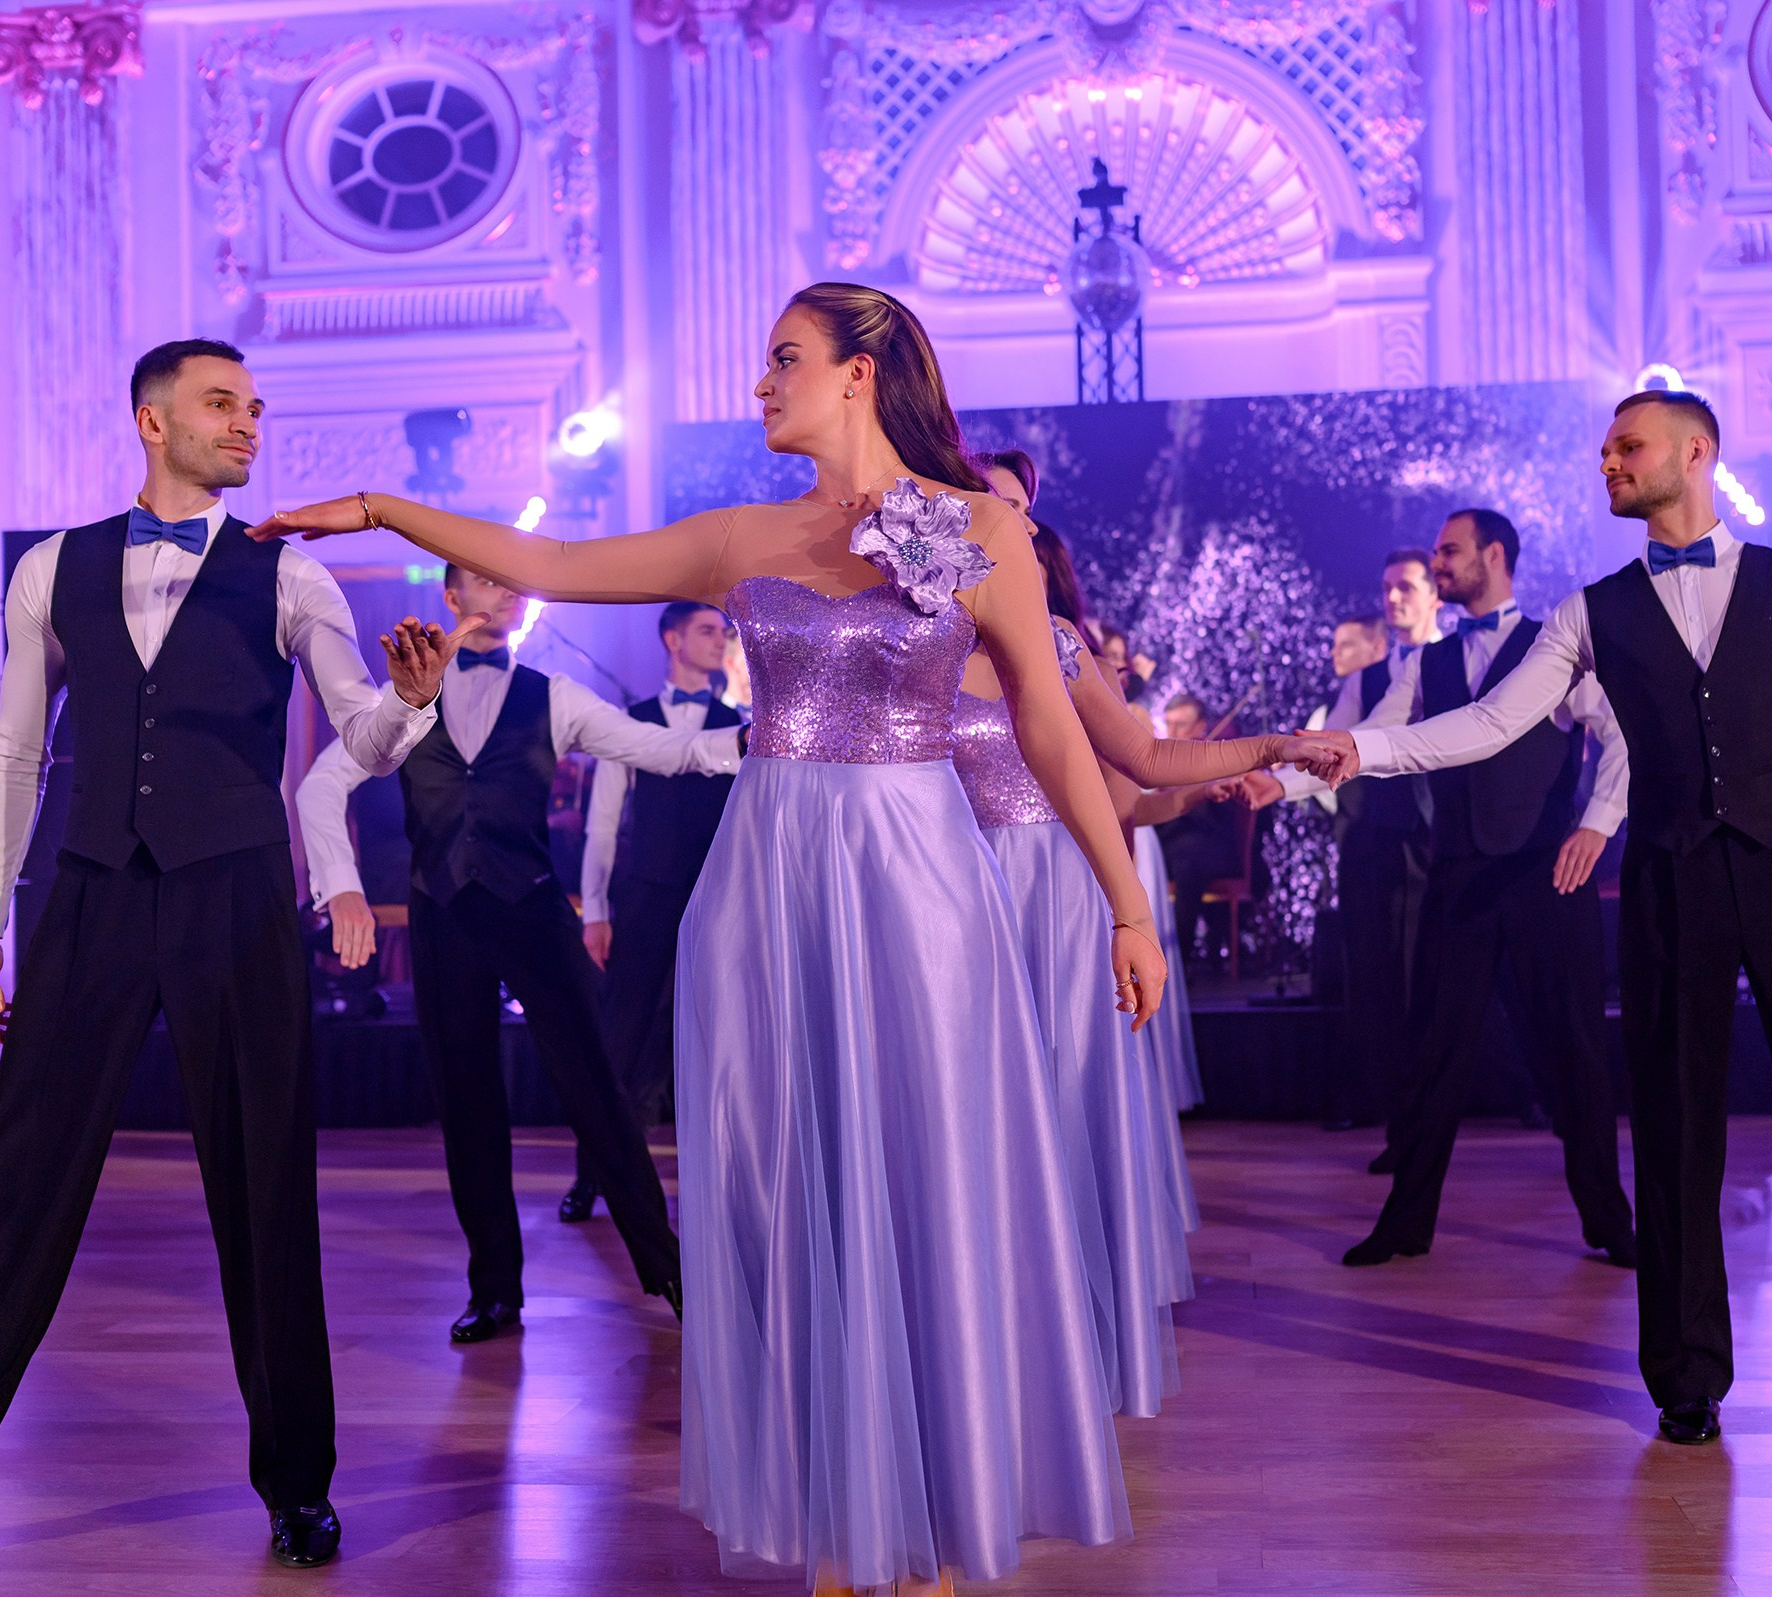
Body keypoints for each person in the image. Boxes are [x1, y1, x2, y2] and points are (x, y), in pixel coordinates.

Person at [252, 282, 1168, 1592]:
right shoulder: (747, 536)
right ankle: (839, 1527)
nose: (759, 384)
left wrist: (1125, 905)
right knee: (790, 1194)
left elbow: (1047, 727)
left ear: (861, 373)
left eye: (784, 360)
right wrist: (387, 510)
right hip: (770, 884)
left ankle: (932, 1534)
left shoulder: (967, 529)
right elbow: (556, 565)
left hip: (917, 880)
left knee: (921, 1184)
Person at [0, 339, 469, 1574]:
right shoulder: (52, 569)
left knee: (266, 1189)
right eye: (223, 404)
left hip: (234, 894)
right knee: (19, 1181)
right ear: (152, 419)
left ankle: (297, 1482)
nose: (247, 424)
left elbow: (362, 736)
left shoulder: (290, 575)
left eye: (254, 408)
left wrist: (413, 699)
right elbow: (16, 752)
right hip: (87, 896)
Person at [1321, 389, 1772, 1447]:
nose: (1606, 462)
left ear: (1697, 454)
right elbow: (1492, 724)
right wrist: (1355, 749)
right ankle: (1686, 1375)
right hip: (1668, 886)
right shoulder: (1589, 611)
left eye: (1625, 447)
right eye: (1603, 449)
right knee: (1677, 1125)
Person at [950, 505, 1349, 1417]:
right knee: (967, 1119)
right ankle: (973, 1346)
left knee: (1058, 1110)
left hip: (1058, 893)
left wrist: (1270, 747)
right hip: (954, 890)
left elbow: (1140, 762)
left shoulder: (1055, 646)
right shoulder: (916, 643)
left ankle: (1061, 1342)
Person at [299, 565, 744, 1341]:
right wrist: (339, 886)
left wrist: (750, 737)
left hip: (534, 909)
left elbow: (658, 750)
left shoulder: (556, 695)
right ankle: (495, 1288)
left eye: (515, 584)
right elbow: (318, 787)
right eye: (486, 582)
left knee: (599, 1090)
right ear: (451, 597)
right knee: (468, 1106)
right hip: (444, 915)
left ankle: (669, 1269)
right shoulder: (402, 697)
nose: (507, 594)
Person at [1337, 509, 1636, 1271]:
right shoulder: (1427, 663)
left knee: (1574, 1053)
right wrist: (1277, 776)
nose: (1438, 563)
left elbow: (1621, 741)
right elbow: (1372, 738)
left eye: (1450, 550)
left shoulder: (1557, 643)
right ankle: (1406, 1221)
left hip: (1546, 877)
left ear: (1493, 556)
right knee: (1434, 1052)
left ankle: (1610, 1220)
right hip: (1459, 877)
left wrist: (1597, 825)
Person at [1246, 549, 1441, 1155]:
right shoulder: (1368, 681)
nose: (1393, 597)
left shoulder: (1461, 662)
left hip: (1442, 839)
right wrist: (1278, 782)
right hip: (1374, 836)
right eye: (1386, 587)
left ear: (1435, 593)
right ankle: (1372, 1096)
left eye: (1405, 586)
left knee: (1439, 972)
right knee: (1370, 969)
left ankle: (1469, 1096)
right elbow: (1337, 749)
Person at [580, 601, 746, 1147]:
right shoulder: (628, 721)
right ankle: (595, 1170)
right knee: (621, 1030)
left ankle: (716, 1170)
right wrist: (597, 911)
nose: (720, 640)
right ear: (672, 640)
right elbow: (602, 826)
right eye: (706, 631)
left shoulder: (745, 729)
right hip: (646, 893)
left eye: (723, 631)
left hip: (718, 895)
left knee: (720, 1031)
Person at [1154, 694, 1247, 973]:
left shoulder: (1217, 760)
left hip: (1211, 851)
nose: (1172, 733)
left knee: (1188, 861)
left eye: (1181, 725)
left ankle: (1179, 964)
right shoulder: (1158, 761)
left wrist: (1190, 793)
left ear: (1200, 727)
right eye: (1168, 725)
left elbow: (1220, 820)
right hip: (1167, 848)